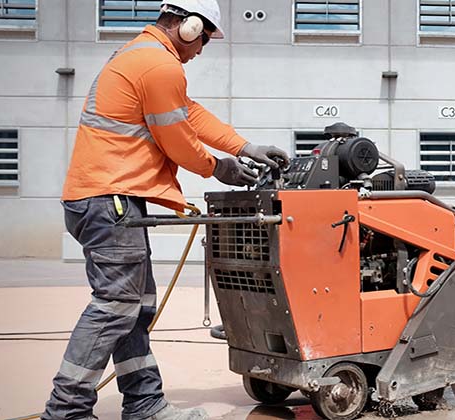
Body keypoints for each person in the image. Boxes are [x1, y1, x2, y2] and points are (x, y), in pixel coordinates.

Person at [44, 1, 288, 418]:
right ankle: (65, 410)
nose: (201, 52)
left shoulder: (140, 55)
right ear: (188, 26)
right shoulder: (160, 65)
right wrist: (219, 168)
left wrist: (242, 146)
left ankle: (144, 405)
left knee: (135, 309)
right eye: (204, 40)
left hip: (108, 200)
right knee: (115, 306)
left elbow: (188, 113)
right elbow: (176, 136)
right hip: (110, 200)